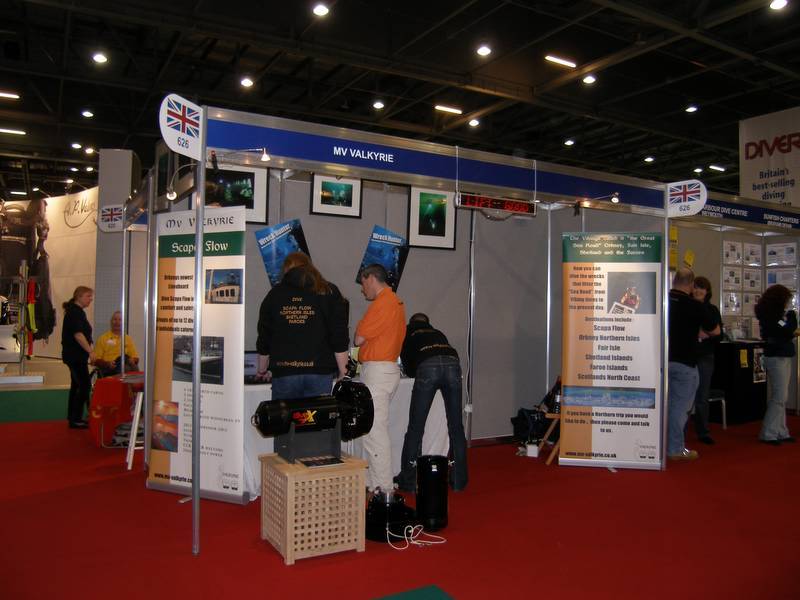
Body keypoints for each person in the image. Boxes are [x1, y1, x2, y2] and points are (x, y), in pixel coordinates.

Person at [255, 252, 349, 400]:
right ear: (309, 266)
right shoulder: (327, 291)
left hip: (285, 371)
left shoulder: (275, 294)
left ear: (286, 269)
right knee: (316, 414)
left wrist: (262, 369)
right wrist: (344, 372)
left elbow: (264, 336)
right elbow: (339, 335)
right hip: (319, 371)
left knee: (285, 414)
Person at [395, 313, 467, 493]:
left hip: (427, 366)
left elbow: (408, 366)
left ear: (411, 323)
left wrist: (416, 372)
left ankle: (409, 480)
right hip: (453, 365)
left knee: (416, 427)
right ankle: (459, 479)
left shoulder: (407, 332)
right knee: (456, 427)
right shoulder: (438, 332)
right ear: (428, 323)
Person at [354, 264, 406, 493]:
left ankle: (384, 487)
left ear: (371, 278)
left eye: (363, 283)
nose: (362, 289)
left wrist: (360, 328)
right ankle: (374, 481)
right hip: (386, 370)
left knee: (375, 432)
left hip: (377, 371)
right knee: (373, 429)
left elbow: (358, 338)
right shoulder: (396, 302)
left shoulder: (383, 303)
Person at [667, 268, 719, 461]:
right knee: (680, 408)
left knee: (666, 406)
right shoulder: (694, 305)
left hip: (662, 361)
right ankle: (674, 448)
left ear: (674, 281)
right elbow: (715, 330)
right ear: (690, 285)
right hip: (686, 362)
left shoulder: (662, 300)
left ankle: (663, 445)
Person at [754, 284, 797, 445]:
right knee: (780, 396)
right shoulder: (773, 316)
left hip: (780, 355)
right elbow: (788, 330)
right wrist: (792, 317)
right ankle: (768, 433)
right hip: (777, 356)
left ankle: (781, 431)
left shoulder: (771, 315)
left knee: (781, 396)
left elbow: (785, 331)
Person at [691, 276, 723, 445]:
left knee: (702, 395)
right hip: (687, 356)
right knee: (685, 395)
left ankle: (703, 431)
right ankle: (680, 430)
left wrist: (707, 334)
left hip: (705, 356)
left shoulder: (712, 310)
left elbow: (719, 335)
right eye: (696, 287)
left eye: (701, 288)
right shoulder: (686, 306)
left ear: (707, 291)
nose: (698, 291)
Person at [61, 286, 95, 429]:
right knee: (84, 385)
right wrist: (90, 351)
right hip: (75, 356)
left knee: (76, 386)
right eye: (88, 296)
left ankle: (73, 417)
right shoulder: (75, 313)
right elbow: (78, 335)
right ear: (79, 296)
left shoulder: (76, 312)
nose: (90, 299)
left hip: (75, 356)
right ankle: (75, 418)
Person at [93, 311, 139, 376]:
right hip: (109, 369)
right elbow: (95, 360)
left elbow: (136, 358)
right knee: (127, 369)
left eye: (120, 320)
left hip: (124, 364)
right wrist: (107, 364)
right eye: (115, 319)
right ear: (111, 322)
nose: (117, 322)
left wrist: (133, 360)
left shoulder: (127, 338)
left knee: (132, 366)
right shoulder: (103, 338)